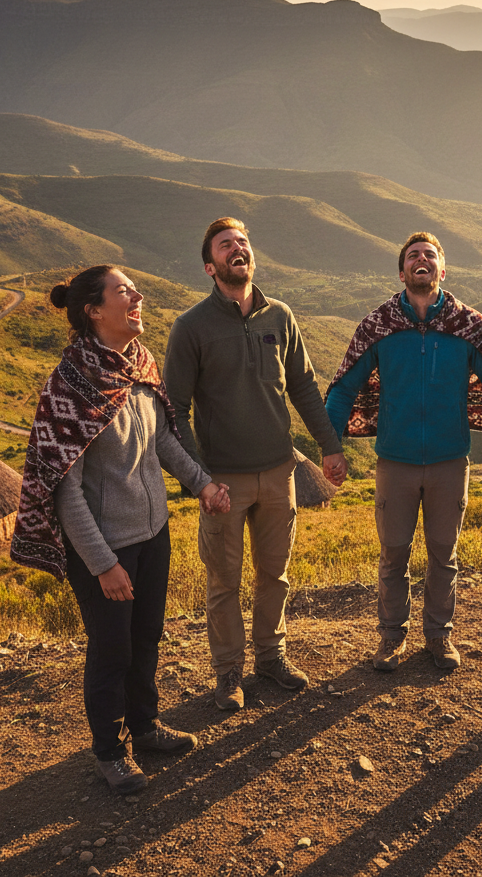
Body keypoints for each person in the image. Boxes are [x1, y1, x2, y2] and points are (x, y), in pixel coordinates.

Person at [11, 265, 231, 795]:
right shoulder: (68, 386)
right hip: (105, 547)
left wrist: (202, 485)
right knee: (112, 650)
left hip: (153, 534)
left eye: (135, 290)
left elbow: (162, 443)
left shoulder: (139, 365)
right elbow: (64, 488)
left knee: (146, 639)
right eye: (125, 292)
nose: (139, 298)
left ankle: (146, 727)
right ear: (93, 310)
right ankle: (110, 753)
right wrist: (103, 563)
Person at [164, 218, 347, 711]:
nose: (237, 249)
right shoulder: (191, 327)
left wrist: (329, 447)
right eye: (225, 246)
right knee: (224, 580)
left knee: (276, 573)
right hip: (222, 479)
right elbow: (174, 408)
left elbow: (305, 387)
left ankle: (271, 657)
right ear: (210, 266)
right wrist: (198, 478)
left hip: (279, 471)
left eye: (243, 241)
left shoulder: (280, 317)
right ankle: (228, 674)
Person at [325, 232, 482, 671]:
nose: (422, 260)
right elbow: (342, 390)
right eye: (413, 256)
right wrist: (330, 447)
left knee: (442, 552)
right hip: (394, 461)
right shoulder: (378, 325)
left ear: (442, 271)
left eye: (430, 256)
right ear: (401, 272)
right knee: (393, 551)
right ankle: (391, 638)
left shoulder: (469, 325)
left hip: (450, 460)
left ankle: (438, 636)